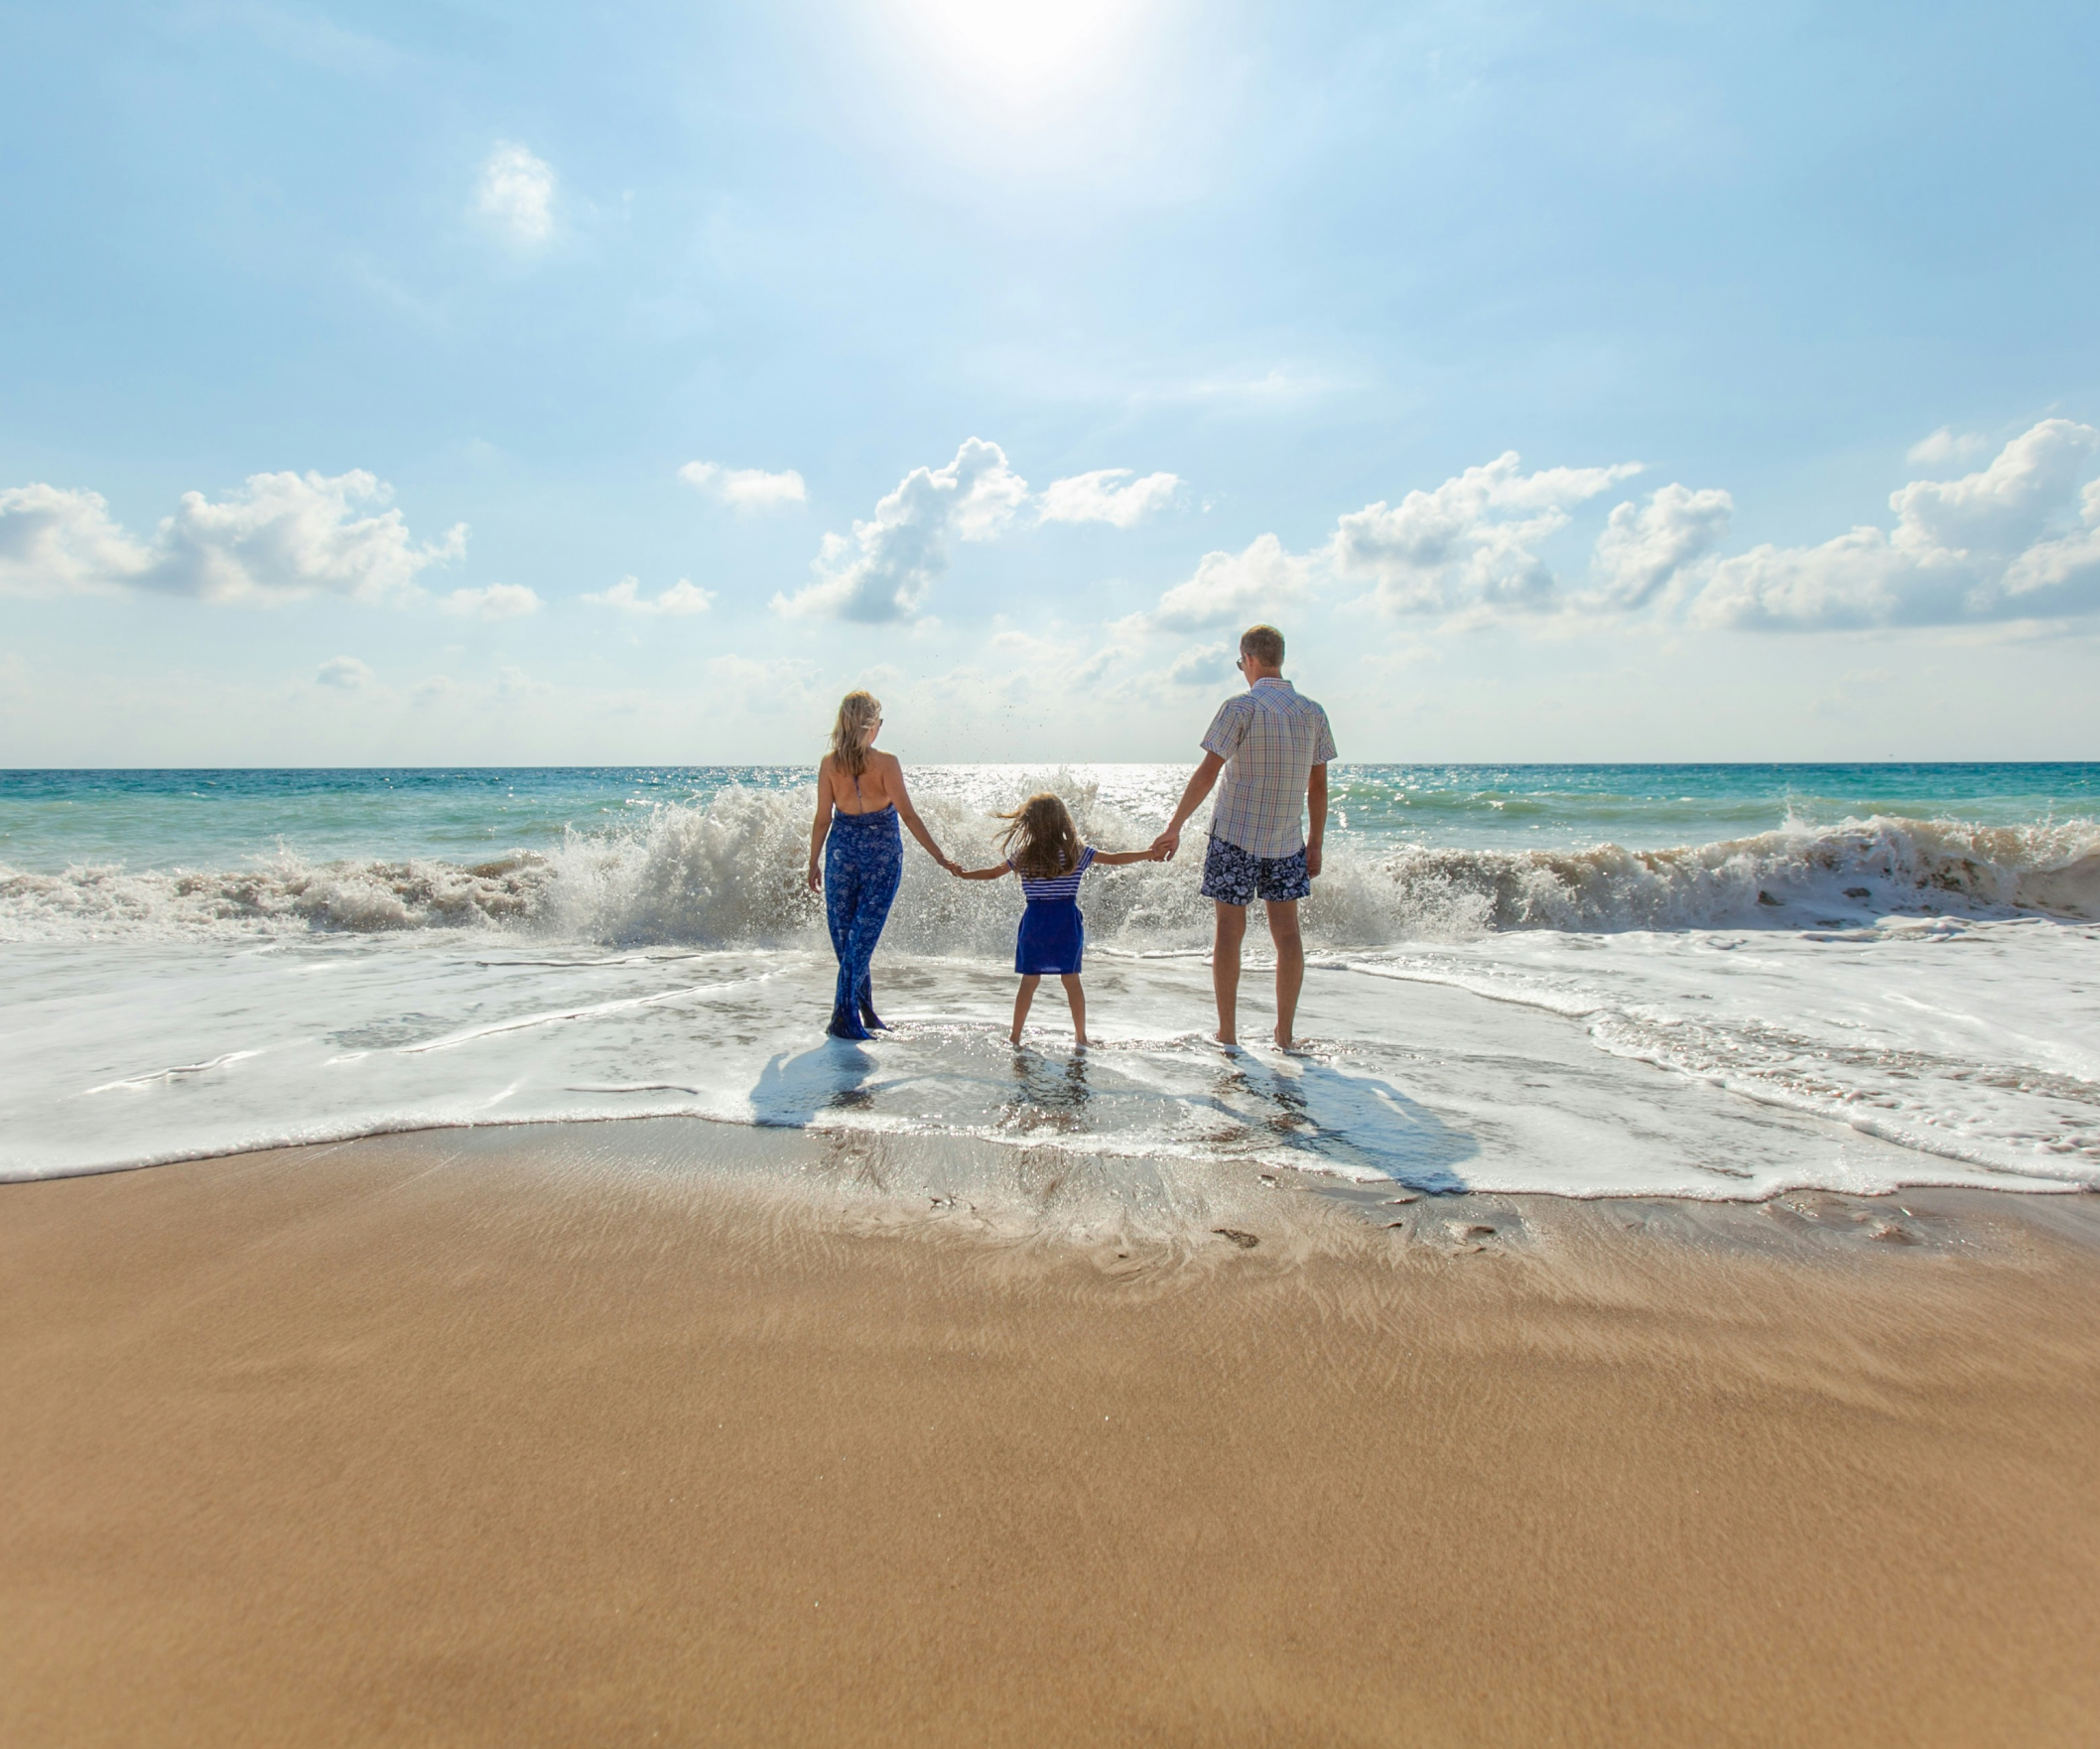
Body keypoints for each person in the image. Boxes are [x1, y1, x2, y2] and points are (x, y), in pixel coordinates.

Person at [1150, 624, 1335, 1050]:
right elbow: (1318, 788)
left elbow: (1207, 773)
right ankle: (1284, 1035)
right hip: (1288, 841)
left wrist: (1174, 826)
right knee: (1287, 935)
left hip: (1234, 837)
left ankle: (1228, 1033)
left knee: (1229, 933)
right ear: (1280, 658)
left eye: (1240, 663)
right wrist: (1317, 843)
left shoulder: (1240, 708)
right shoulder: (1312, 712)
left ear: (1249, 659)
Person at [949, 792, 1159, 1047]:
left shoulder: (1024, 854)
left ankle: (1015, 1037)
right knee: (1071, 980)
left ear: (1030, 823)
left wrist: (965, 875)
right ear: (1062, 820)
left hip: (1036, 921)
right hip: (1065, 921)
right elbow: (1115, 858)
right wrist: (1149, 853)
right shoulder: (1075, 852)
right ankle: (1081, 1037)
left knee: (1029, 981)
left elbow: (993, 874)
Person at [806, 691, 956, 1039]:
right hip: (882, 857)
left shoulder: (830, 764)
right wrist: (939, 856)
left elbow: (822, 819)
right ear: (872, 725)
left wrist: (812, 861)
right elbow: (908, 814)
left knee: (849, 940)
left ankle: (863, 1013)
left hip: (841, 854)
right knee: (859, 940)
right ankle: (845, 1017)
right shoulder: (886, 763)